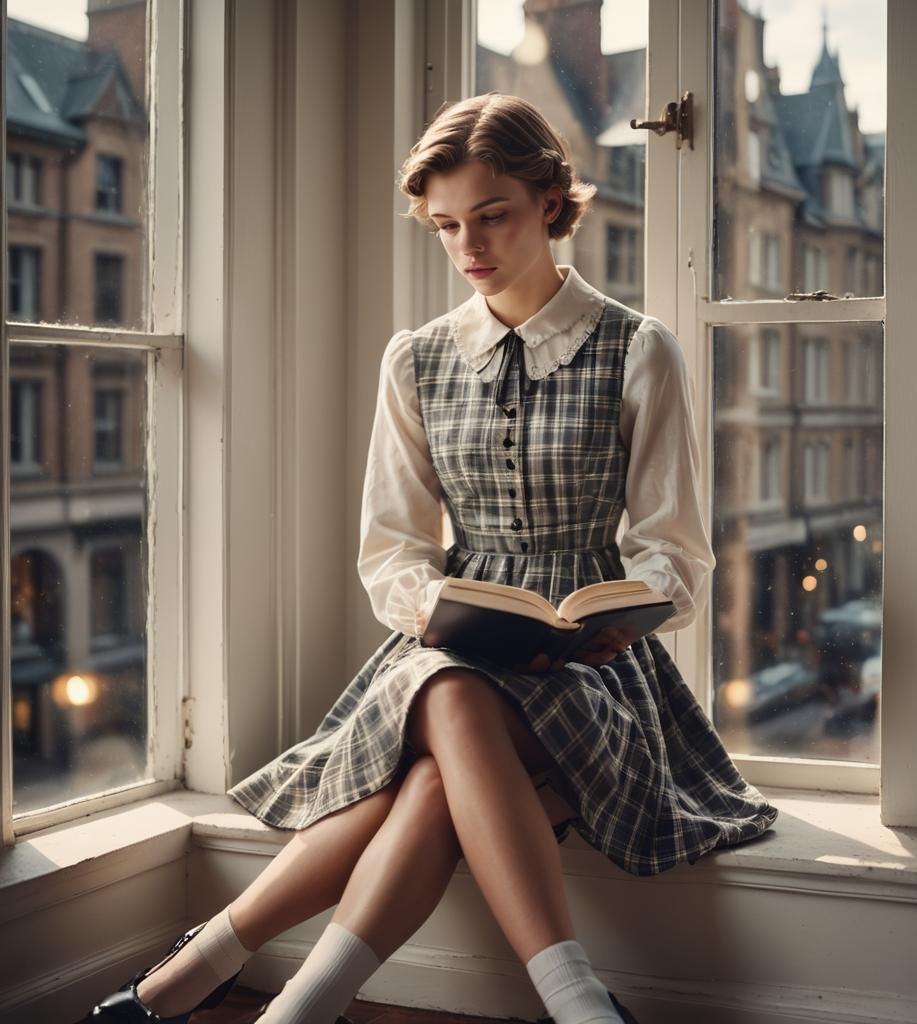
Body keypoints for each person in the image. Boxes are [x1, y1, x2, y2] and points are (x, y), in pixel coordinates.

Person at [84, 92, 779, 1024]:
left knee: (445, 725)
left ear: (548, 200)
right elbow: (394, 549)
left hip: (595, 672)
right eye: (447, 225)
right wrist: (435, 612)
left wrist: (622, 614)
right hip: (449, 643)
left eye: (491, 215)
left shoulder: (638, 349)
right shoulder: (415, 360)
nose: (469, 246)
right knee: (449, 702)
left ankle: (194, 983)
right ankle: (574, 1005)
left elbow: (674, 553)